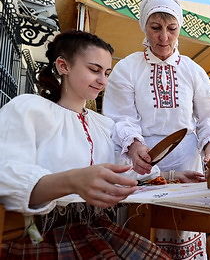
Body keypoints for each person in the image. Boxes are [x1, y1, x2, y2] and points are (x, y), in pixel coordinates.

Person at [0, 30, 170, 259]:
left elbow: (126, 170)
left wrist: (172, 174)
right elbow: (5, 175)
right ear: (64, 66)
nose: (103, 80)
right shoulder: (28, 109)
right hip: (38, 234)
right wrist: (72, 181)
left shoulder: (104, 125)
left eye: (107, 73)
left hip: (95, 228)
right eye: (94, 70)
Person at [102, 0, 210, 258]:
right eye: (156, 28)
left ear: (179, 29)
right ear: (145, 26)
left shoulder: (193, 70)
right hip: (141, 159)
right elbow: (120, 117)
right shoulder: (128, 67)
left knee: (182, 226)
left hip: (187, 159)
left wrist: (209, 145)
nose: (163, 37)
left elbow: (208, 117)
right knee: (141, 223)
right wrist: (134, 146)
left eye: (171, 29)